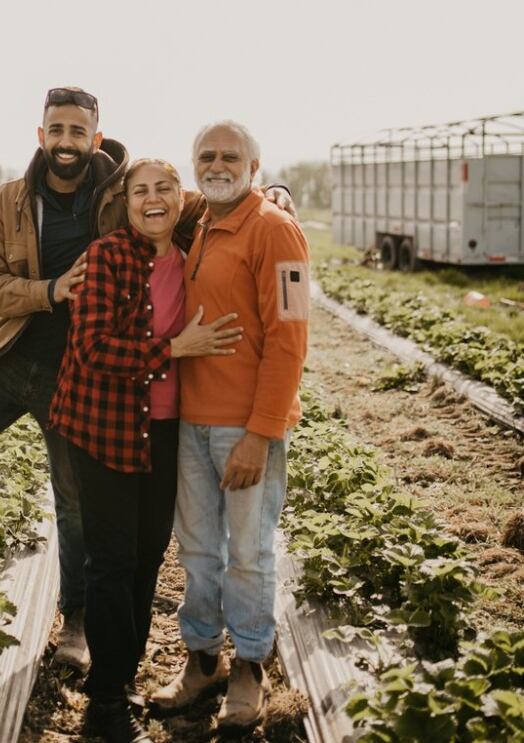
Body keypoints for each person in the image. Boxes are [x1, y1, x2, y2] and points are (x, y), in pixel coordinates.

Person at [0, 87, 294, 672]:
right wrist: (49, 291)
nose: (66, 142)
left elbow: (199, 199)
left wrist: (271, 192)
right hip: (10, 355)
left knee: (75, 505)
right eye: (56, 130)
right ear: (40, 135)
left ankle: (76, 625)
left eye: (78, 132)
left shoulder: (115, 191)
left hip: (74, 375)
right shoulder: (9, 201)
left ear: (95, 139)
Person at [49, 158, 244, 743]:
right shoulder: (109, 256)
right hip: (101, 427)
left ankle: (122, 675)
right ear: (126, 202)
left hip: (163, 430)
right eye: (141, 191)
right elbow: (91, 348)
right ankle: (106, 701)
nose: (153, 199)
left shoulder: (191, 255)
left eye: (164, 188)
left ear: (181, 199)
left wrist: (279, 192)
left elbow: (242, 201)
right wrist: (172, 349)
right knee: (111, 564)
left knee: (146, 557)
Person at [151, 121, 309, 732]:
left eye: (230, 156)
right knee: (196, 551)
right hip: (191, 422)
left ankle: (249, 666)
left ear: (255, 165)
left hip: (244, 428)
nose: (217, 164)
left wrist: (261, 432)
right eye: (206, 156)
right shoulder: (203, 225)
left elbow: (290, 340)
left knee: (247, 553)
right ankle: (201, 659)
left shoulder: (276, 229)